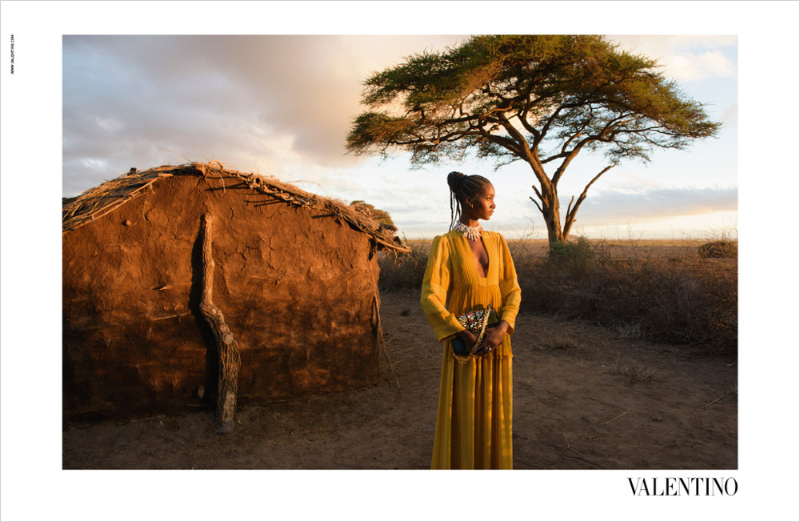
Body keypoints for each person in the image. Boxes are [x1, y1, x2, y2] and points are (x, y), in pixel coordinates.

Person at [420, 171, 522, 469]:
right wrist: (464, 334)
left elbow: (512, 288)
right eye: (489, 198)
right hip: (465, 347)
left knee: (495, 410)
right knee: (464, 410)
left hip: (498, 342)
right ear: (469, 200)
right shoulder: (445, 244)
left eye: (494, 199)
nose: (493, 205)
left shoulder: (498, 241)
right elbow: (430, 296)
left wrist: (503, 327)